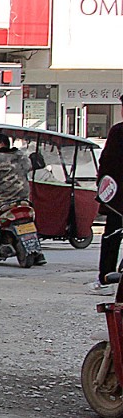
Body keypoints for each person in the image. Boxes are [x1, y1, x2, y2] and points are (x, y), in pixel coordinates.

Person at [98, 99, 123, 289]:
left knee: (111, 238)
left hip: (117, 200)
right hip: (117, 198)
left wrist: (103, 190)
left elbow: (106, 162)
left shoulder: (118, 132)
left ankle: (106, 276)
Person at [0, 131, 32, 209]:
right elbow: (29, 168)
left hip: (3, 201)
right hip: (24, 200)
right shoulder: (22, 157)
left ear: (2, 144)